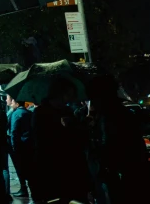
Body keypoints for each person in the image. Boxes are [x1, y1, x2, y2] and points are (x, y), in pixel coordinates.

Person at [86, 75, 150, 203]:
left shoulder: (113, 118)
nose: (93, 103)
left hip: (127, 180)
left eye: (94, 98)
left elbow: (116, 150)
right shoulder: (116, 115)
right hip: (130, 178)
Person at [32, 76, 90, 204]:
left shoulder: (68, 111)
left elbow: (76, 140)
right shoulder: (41, 113)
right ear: (59, 93)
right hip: (52, 171)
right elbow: (41, 143)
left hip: (72, 170)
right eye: (69, 94)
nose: (71, 98)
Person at [6, 95, 33, 199]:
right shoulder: (29, 112)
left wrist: (13, 146)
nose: (6, 100)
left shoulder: (16, 114)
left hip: (19, 146)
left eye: (8, 98)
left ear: (14, 101)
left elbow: (14, 131)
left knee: (20, 168)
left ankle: (23, 188)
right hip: (29, 144)